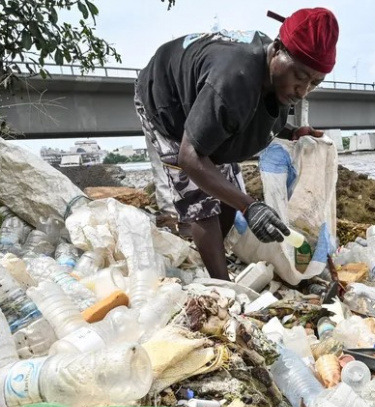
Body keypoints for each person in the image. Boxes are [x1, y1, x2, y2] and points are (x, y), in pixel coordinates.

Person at [134, 8, 339, 280]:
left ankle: (216, 257)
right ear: (276, 49)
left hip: (209, 101)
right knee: (202, 202)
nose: (303, 91)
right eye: (300, 76)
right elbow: (191, 157)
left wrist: (291, 133)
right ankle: (222, 285)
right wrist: (250, 206)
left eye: (315, 82)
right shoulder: (234, 79)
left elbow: (255, 115)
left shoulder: (273, 79)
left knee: (229, 195)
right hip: (166, 101)